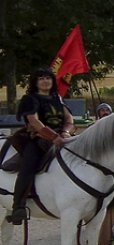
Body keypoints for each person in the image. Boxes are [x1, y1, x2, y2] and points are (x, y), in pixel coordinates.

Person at [8, 69, 75, 224]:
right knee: (28, 167)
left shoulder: (57, 98)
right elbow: (35, 122)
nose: (45, 81)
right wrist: (53, 137)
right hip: (39, 140)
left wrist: (65, 132)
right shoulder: (30, 99)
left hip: (62, 138)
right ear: (35, 82)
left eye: (48, 78)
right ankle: (18, 206)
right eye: (41, 79)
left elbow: (69, 118)